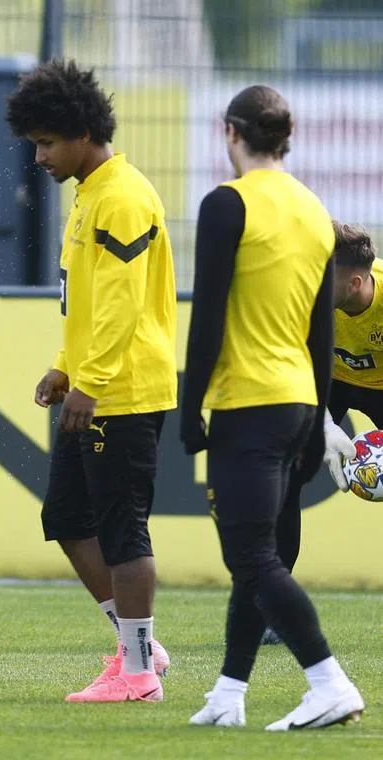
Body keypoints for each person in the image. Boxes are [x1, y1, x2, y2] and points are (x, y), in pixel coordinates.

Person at [181, 84, 364, 730]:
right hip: (298, 402)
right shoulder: (315, 211)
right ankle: (229, 693)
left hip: (248, 402)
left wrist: (188, 405)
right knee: (260, 556)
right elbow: (324, 335)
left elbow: (206, 320)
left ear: (231, 131)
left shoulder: (227, 205)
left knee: (252, 556)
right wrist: (319, 421)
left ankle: (327, 680)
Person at [6, 59, 175, 703]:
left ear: (81, 132)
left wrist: (93, 380)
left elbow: (124, 305)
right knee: (68, 517)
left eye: (47, 143)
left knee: (123, 529)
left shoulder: (124, 197)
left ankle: (135, 675)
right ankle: (139, 647)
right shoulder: (92, 195)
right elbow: (88, 301)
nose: (41, 157)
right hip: (98, 383)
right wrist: (64, 366)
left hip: (124, 391)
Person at [260, 222, 373, 647]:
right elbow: (298, 368)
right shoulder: (305, 293)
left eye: (328, 278)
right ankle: (274, 610)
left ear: (357, 281)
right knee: (286, 481)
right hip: (327, 385)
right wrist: (324, 426)